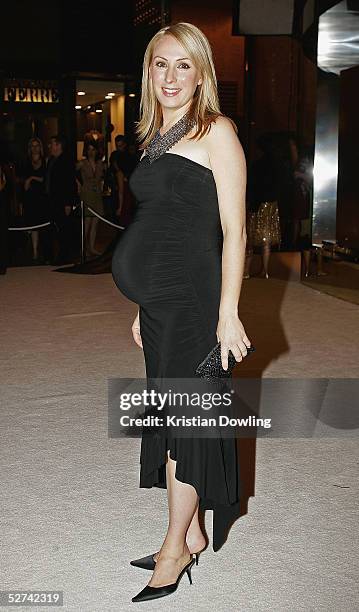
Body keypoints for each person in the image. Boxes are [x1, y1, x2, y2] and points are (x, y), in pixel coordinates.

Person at [111, 22, 251, 603]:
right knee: (173, 419)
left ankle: (174, 549)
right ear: (149, 71)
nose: (170, 77)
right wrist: (144, 304)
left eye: (183, 66)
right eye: (160, 64)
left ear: (201, 74)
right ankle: (190, 532)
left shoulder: (216, 130)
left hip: (196, 301)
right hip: (161, 302)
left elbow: (234, 230)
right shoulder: (155, 134)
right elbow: (160, 223)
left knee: (190, 422)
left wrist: (228, 314)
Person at [244, 133, 282, 279]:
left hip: (258, 204)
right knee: (267, 239)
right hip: (272, 203)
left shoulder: (258, 165)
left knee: (251, 239)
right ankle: (265, 270)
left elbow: (254, 186)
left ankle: (246, 270)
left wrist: (251, 203)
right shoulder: (276, 164)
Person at [45, 135, 76, 264]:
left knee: (64, 229)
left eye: (52, 144)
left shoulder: (66, 161)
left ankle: (64, 257)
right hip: (53, 200)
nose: (49, 146)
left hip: (62, 201)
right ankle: (56, 256)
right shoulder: (52, 160)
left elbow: (69, 183)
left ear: (58, 145)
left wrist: (68, 203)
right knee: (56, 229)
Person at [76, 140, 105, 257]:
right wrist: (78, 184)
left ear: (97, 150)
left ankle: (91, 248)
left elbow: (102, 177)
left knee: (95, 222)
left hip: (97, 193)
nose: (91, 152)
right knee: (87, 222)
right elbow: (70, 173)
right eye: (89, 149)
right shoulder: (82, 163)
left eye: (93, 149)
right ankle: (83, 248)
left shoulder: (100, 163)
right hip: (86, 193)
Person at [22, 137, 48, 262]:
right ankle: (35, 251)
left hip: (42, 197)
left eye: (37, 145)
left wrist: (32, 178)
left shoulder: (45, 161)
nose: (35, 148)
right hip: (30, 198)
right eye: (32, 146)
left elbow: (46, 179)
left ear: (40, 147)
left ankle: (44, 251)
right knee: (32, 225)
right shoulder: (26, 162)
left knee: (43, 224)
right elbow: (21, 179)